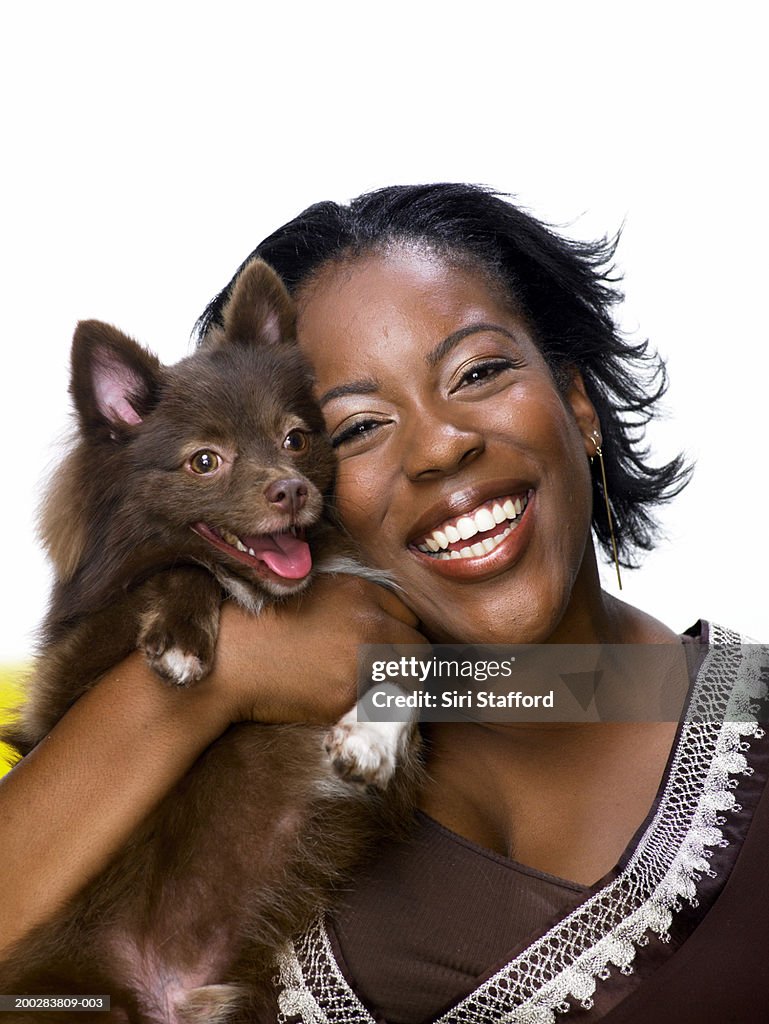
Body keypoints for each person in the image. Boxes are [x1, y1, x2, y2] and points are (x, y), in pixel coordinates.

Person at [1, 184, 767, 1023]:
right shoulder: (236, 748)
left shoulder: (727, 713)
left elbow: (578, 685)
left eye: (479, 372)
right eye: (356, 428)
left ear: (577, 404)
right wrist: (227, 675)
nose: (440, 444)